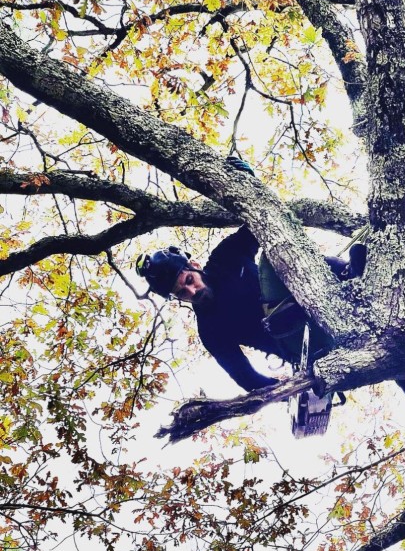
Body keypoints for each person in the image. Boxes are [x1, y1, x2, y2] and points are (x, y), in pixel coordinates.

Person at [136, 157, 366, 394]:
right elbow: (246, 378)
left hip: (323, 296)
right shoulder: (210, 330)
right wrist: (295, 390)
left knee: (275, 252)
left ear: (194, 266)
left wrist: (249, 184)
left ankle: (353, 274)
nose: (192, 292)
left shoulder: (225, 258)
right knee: (273, 279)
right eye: (182, 293)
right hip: (303, 341)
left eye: (189, 282)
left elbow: (265, 222)